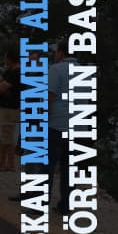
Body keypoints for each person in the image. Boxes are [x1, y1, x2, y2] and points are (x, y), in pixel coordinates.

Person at [48, 39, 76, 215]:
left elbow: (49, 98)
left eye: (56, 51)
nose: (54, 54)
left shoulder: (56, 69)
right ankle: (65, 205)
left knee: (47, 166)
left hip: (56, 125)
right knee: (69, 169)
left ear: (61, 52)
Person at [0, 50, 21, 171]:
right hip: (6, 107)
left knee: (7, 137)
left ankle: (9, 165)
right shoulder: (9, 71)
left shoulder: (17, 73)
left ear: (9, 59)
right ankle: (2, 162)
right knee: (4, 136)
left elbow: (0, 88)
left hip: (11, 108)